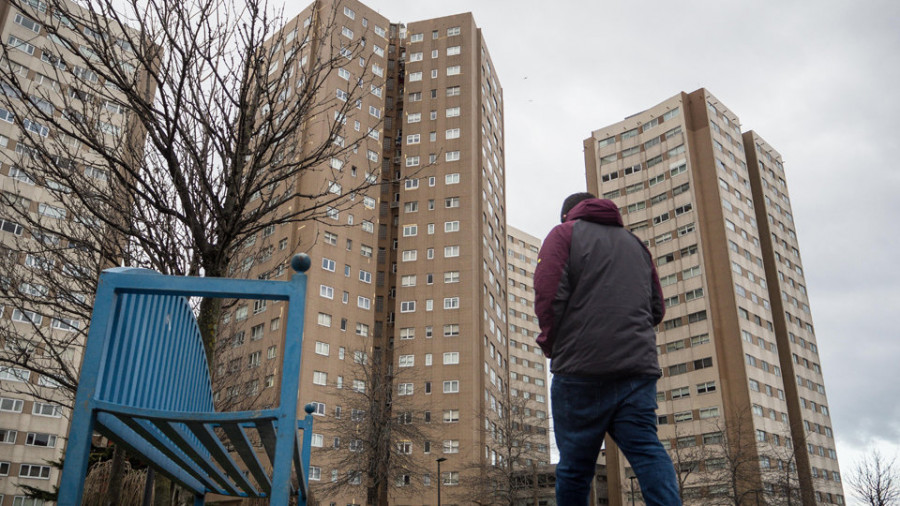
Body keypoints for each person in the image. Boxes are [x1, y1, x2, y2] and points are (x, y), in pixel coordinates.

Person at [534, 192, 680, 505]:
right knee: (646, 452)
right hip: (636, 370)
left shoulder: (563, 234)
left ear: (567, 215)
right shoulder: (635, 244)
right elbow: (657, 309)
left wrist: (550, 344)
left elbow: (548, 295)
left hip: (580, 369)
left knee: (575, 466)